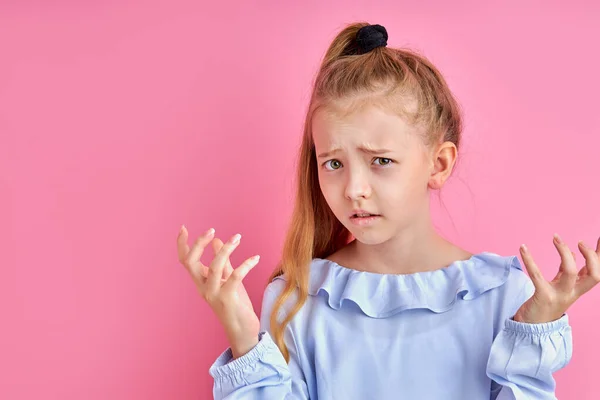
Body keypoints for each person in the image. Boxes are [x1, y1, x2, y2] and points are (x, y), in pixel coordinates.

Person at [176, 22, 600, 399]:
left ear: (439, 163)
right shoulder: (295, 299)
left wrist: (532, 329)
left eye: (380, 161)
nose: (354, 190)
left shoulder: (502, 296)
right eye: (333, 163)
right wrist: (242, 332)